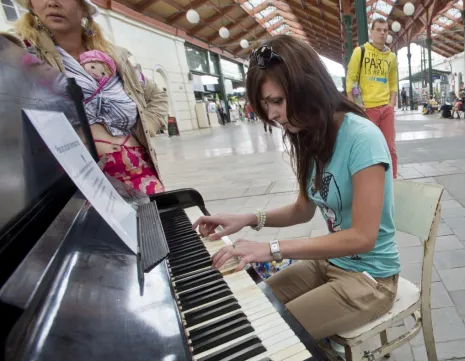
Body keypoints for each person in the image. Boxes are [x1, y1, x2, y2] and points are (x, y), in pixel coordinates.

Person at [193, 36, 401, 340]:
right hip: (331, 263)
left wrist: (272, 249)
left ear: (307, 87)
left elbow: (362, 237)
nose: (273, 114)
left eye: (277, 101)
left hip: (371, 279)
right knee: (253, 305)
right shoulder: (310, 135)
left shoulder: (362, 138)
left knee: (270, 333)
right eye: (266, 104)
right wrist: (248, 219)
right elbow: (303, 210)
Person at [2, 0, 168, 195]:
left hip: (141, 172)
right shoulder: (22, 54)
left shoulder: (115, 60)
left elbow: (157, 96)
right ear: (31, 5)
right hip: (81, 185)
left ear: (84, 8)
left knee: (160, 222)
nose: (51, 3)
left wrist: (145, 127)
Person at [346, 18, 399, 178]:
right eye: (379, 29)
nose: (382, 33)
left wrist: (391, 104)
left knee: (389, 147)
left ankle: (393, 180)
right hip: (366, 109)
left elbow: (393, 82)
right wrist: (356, 103)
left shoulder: (391, 57)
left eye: (385, 30)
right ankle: (370, 181)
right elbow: (351, 79)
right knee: (368, 147)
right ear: (371, 31)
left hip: (386, 108)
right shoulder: (360, 52)